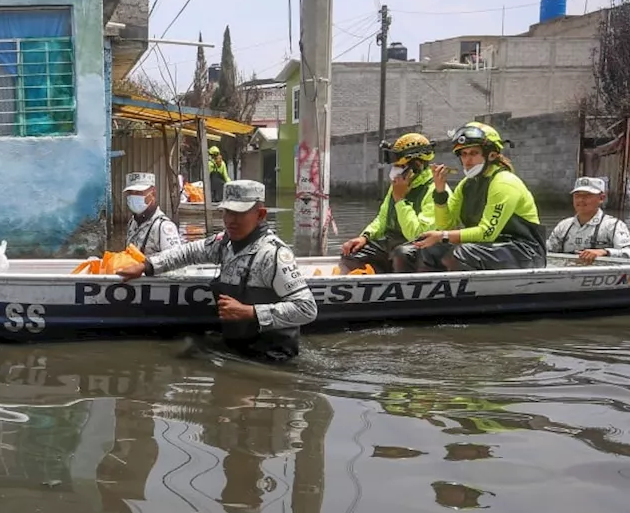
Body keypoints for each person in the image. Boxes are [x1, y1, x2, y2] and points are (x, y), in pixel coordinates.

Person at [117, 180, 317, 362]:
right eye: (227, 212)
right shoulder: (225, 243)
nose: (231, 220)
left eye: (239, 213)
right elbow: (188, 252)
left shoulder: (272, 255)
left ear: (260, 214)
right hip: (236, 348)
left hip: (271, 357)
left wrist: (251, 312)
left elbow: (307, 309)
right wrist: (147, 265)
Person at [400, 121, 547, 272]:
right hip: (486, 248)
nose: (467, 161)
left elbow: (486, 233)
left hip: (525, 251)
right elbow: (446, 225)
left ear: (491, 155)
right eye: (463, 154)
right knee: (420, 251)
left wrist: (442, 236)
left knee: (462, 253)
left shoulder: (504, 182)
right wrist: (439, 191)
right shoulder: (466, 185)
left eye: (473, 153)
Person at [338, 132, 437, 273]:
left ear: (417, 165)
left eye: (400, 166)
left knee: (401, 254)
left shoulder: (434, 191)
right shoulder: (396, 186)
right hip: (391, 243)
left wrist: (400, 200)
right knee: (351, 254)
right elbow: (383, 219)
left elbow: (417, 235)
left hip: (416, 249)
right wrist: (365, 236)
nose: (394, 171)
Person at [547, 176, 630, 264]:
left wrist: (604, 252)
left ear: (601, 198)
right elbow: (546, 251)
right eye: (577, 195)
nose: (581, 200)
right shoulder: (563, 226)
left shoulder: (613, 225)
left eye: (587, 195)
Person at [122, 172, 182, 254]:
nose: (133, 196)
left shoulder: (163, 227)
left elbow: (175, 260)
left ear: (153, 194)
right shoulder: (132, 223)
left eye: (139, 193)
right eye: (130, 193)